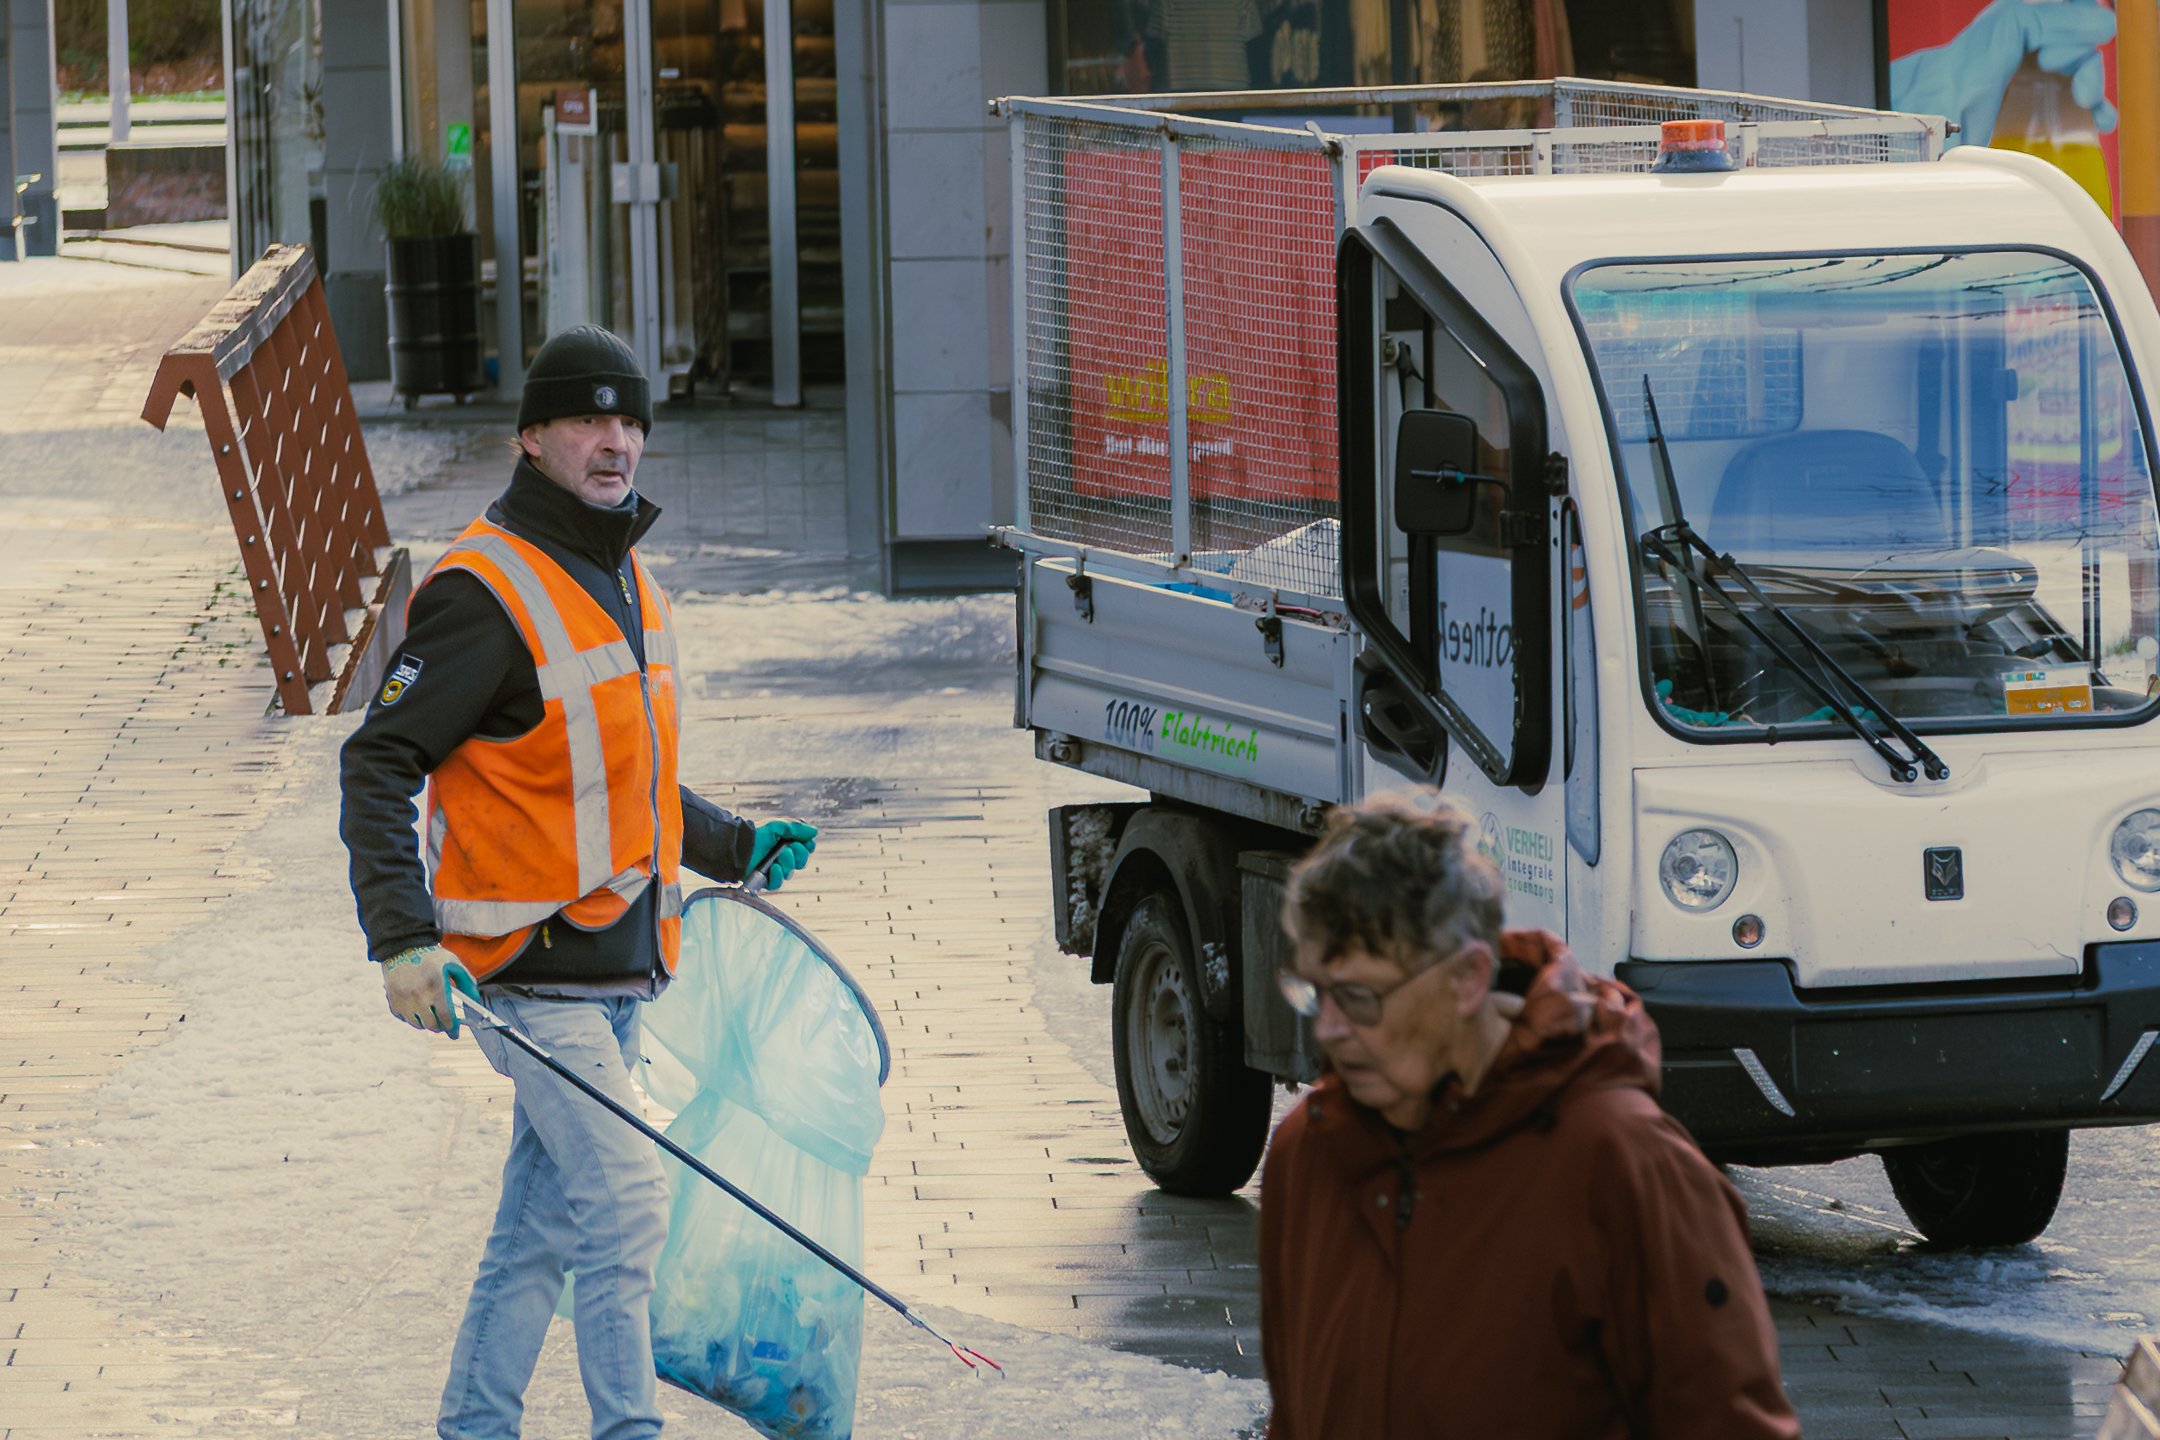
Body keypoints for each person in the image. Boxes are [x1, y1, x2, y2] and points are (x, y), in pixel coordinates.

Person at [338, 323, 819, 1440]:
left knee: (543, 1229)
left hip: (618, 970)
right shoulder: (484, 591)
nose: (614, 442)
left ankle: (475, 1426)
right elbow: (377, 759)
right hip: (526, 973)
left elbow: (621, 780)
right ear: (532, 437)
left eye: (628, 421)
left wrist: (734, 845)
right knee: (628, 1208)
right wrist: (402, 941)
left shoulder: (619, 572)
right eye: (586, 421)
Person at [1258, 791, 1799, 1439]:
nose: (1330, 1029)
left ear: (1467, 980)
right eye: (1314, 991)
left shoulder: (1624, 1163)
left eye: (1358, 996)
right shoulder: (1308, 1151)